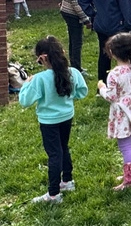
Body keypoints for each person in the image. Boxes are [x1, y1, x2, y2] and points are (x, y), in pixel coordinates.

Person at [19, 35, 88, 204]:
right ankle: (67, 181)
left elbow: (24, 101)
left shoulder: (39, 79)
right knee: (64, 147)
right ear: (62, 53)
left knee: (54, 154)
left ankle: (53, 194)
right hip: (67, 117)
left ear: (42, 58)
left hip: (49, 121)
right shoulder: (74, 73)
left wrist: (27, 83)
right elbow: (82, 92)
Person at [97, 32, 131, 191]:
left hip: (122, 114)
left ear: (112, 52)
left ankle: (130, 180)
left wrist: (102, 89)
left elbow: (112, 96)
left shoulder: (114, 74)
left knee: (125, 146)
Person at [77, 0, 131, 83]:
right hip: (118, 28)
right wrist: (130, 26)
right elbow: (127, 10)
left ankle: (102, 85)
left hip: (101, 26)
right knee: (125, 55)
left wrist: (93, 14)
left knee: (104, 55)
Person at [59, 0, 92, 73]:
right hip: (72, 14)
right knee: (77, 42)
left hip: (68, 11)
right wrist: (86, 20)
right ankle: (76, 68)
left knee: (74, 41)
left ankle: (74, 65)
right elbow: (76, 3)